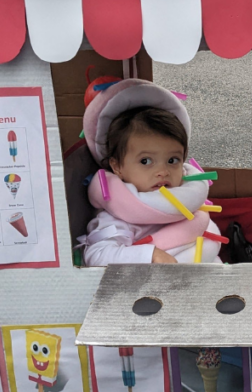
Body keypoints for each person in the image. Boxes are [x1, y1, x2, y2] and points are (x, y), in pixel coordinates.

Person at [82, 79, 223, 266]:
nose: (163, 171)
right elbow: (97, 255)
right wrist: (150, 255)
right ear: (117, 166)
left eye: (172, 160)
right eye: (146, 161)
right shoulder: (119, 216)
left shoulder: (190, 199)